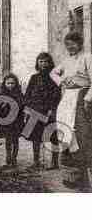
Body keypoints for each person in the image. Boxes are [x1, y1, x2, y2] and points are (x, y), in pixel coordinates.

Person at [50, 31, 92, 190]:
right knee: (66, 133)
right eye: (67, 45)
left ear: (80, 43)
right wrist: (61, 81)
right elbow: (52, 72)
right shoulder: (66, 61)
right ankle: (74, 176)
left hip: (82, 98)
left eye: (72, 44)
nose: (70, 48)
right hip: (68, 99)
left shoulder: (87, 57)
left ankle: (85, 176)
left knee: (82, 136)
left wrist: (88, 99)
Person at [24, 52, 61, 170]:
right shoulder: (33, 78)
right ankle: (36, 162)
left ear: (50, 63)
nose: (43, 64)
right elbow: (28, 94)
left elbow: (57, 95)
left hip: (48, 111)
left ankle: (54, 163)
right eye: (41, 61)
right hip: (35, 110)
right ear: (37, 63)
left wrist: (52, 109)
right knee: (35, 136)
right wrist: (27, 109)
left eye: (46, 61)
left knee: (52, 136)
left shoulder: (54, 77)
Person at [0, 74, 25, 168]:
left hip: (16, 121)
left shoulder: (19, 94)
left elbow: (22, 106)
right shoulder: (2, 94)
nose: (10, 85)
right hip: (6, 121)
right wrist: (2, 107)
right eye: (8, 83)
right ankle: (8, 157)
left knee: (15, 140)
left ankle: (14, 158)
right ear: (4, 84)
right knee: (8, 140)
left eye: (12, 83)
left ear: (16, 84)